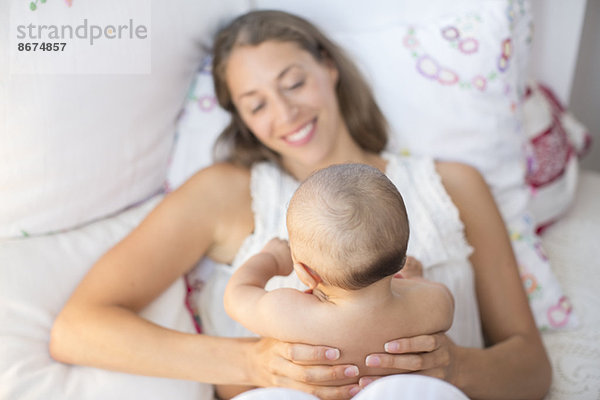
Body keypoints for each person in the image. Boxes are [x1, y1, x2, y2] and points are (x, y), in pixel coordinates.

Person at [49, 9, 552, 400]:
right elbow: (78, 329)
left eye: (293, 82)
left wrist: (453, 365)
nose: (285, 112)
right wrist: (252, 364)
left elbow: (531, 370)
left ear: (328, 68)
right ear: (242, 119)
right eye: (257, 103)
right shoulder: (222, 193)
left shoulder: (452, 186)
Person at [217, 163, 454, 399]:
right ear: (401, 260)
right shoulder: (432, 305)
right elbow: (435, 294)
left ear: (306, 274)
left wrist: (269, 258)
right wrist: (414, 279)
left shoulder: (292, 314)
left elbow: (236, 296)